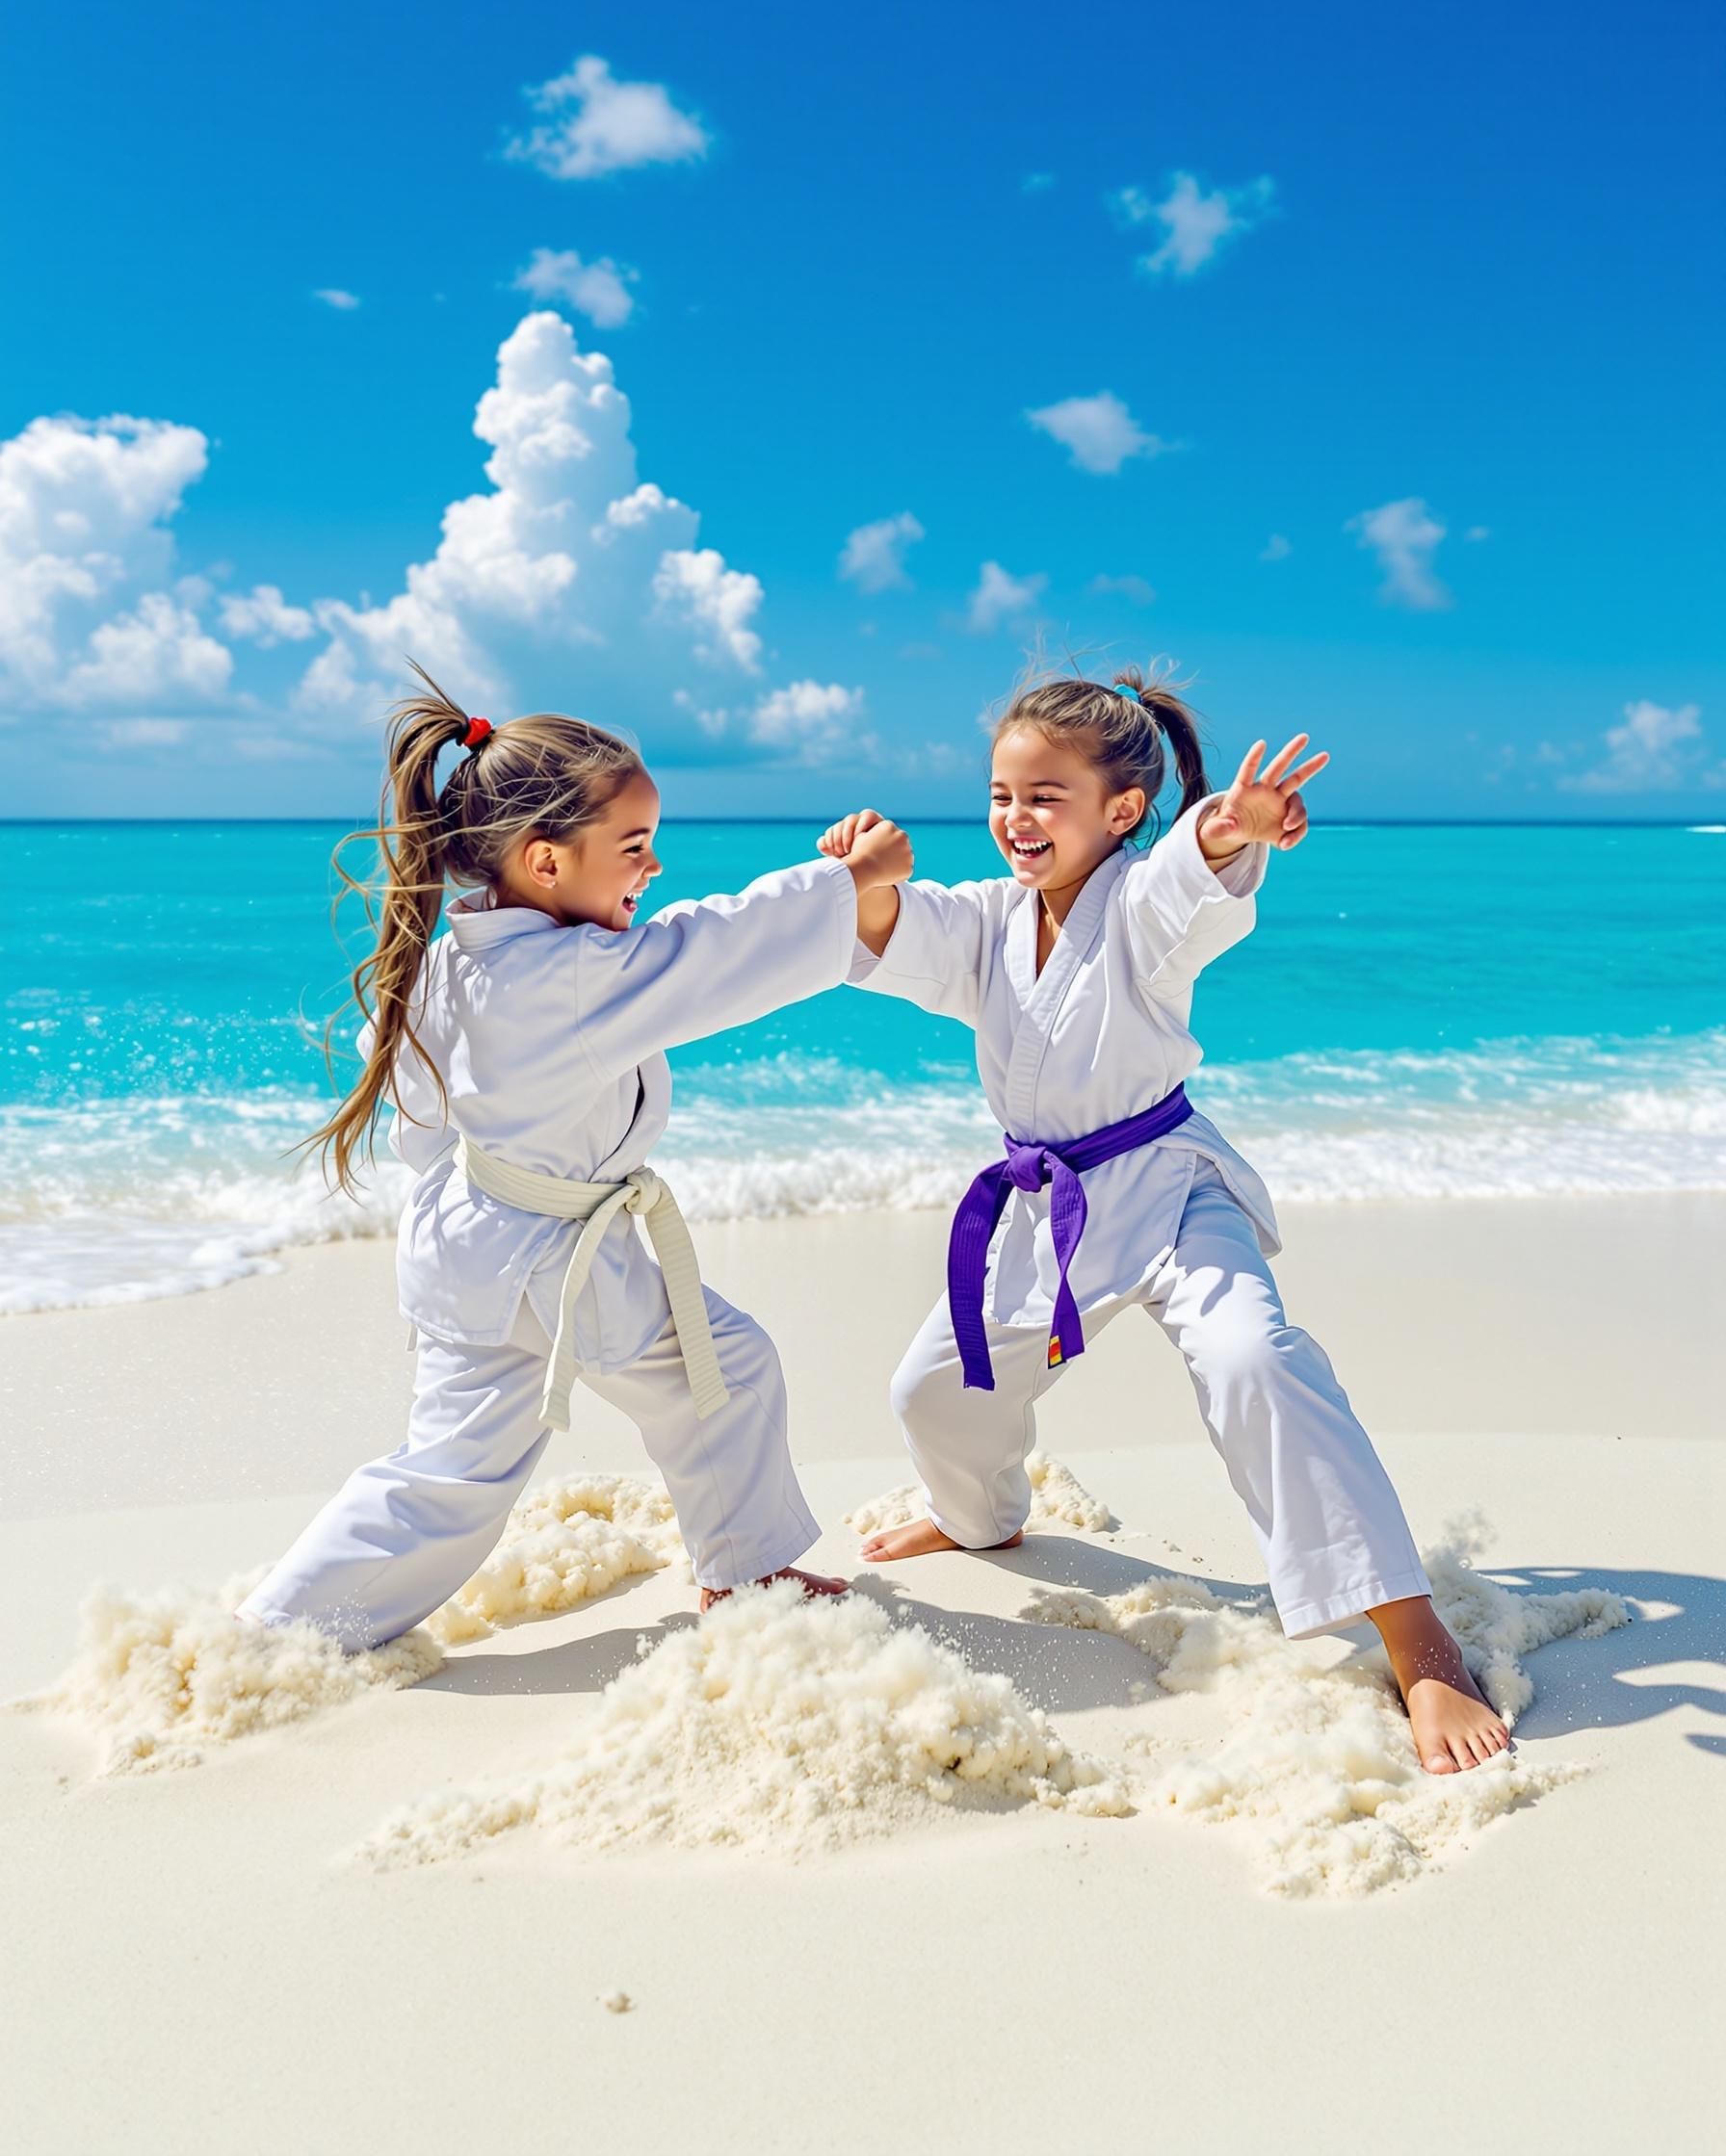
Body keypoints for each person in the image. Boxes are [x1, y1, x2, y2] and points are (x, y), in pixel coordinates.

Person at [820, 667, 1511, 1776]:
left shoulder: (1141, 903)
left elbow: (1198, 874)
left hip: (1170, 1187)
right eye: (1002, 794)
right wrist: (862, 877)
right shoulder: (988, 921)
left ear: (1122, 810)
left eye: (1045, 796)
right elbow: (892, 927)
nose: (1014, 818)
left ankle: (1412, 1636)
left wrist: (1236, 827)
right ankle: (979, 1514)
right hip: (1050, 1206)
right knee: (934, 1392)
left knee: (1254, 1359)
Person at [239, 669, 911, 1649]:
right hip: (556, 1256)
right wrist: (845, 883)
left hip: (468, 1238)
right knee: (725, 1368)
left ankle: (284, 1627)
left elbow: (426, 1122)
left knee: (446, 1471)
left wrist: (470, 1224)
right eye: (632, 847)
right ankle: (746, 1573)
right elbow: (716, 950)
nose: (653, 867)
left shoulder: (454, 955)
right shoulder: (573, 976)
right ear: (544, 862)